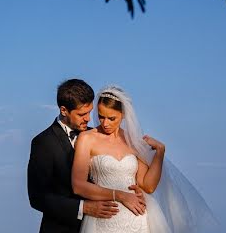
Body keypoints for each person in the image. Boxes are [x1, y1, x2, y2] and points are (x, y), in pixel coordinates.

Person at [72, 85, 215, 233]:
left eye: (111, 118)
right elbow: (78, 186)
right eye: (101, 116)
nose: (105, 123)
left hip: (138, 220)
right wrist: (121, 195)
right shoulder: (87, 139)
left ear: (124, 115)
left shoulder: (133, 141)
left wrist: (160, 152)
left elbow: (148, 186)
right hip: (104, 218)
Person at [28, 79, 147, 233]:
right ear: (64, 110)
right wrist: (83, 207)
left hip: (105, 225)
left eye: (90, 112)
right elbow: (37, 197)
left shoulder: (96, 135)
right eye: (82, 114)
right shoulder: (43, 142)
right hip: (62, 228)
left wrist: (136, 193)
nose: (89, 119)